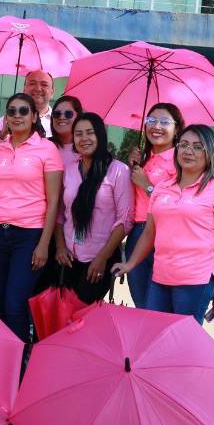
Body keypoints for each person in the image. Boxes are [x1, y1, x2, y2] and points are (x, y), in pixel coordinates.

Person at [113, 125, 214, 324]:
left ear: (210, 153)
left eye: (197, 147)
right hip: (160, 278)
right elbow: (149, 233)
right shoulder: (162, 188)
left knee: (183, 340)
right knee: (154, 334)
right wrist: (130, 263)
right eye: (184, 145)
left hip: (195, 281)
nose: (188, 151)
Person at [0, 93, 63, 342]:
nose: (17, 116)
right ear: (6, 118)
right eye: (11, 111)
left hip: (29, 235)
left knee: (15, 302)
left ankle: (19, 357)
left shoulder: (47, 149)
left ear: (34, 117)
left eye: (23, 111)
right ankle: (1, 354)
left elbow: (54, 202)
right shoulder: (1, 148)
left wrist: (44, 244)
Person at [55, 112, 133, 303]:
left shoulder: (118, 171)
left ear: (100, 135)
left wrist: (102, 258)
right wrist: (60, 247)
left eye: (90, 133)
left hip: (99, 257)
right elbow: (60, 214)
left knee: (84, 312)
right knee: (65, 313)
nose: (84, 138)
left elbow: (125, 220)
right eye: (78, 134)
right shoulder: (70, 170)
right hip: (69, 258)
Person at [125, 102, 184, 308]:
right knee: (142, 304)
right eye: (151, 120)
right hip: (137, 233)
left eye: (164, 122)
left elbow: (179, 204)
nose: (156, 126)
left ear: (177, 129)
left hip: (163, 235)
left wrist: (147, 185)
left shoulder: (180, 161)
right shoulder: (145, 159)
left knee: (157, 306)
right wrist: (132, 166)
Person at [35, 94, 83, 293]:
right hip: (41, 229)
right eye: (56, 114)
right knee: (38, 292)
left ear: (79, 116)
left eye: (68, 114)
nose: (61, 117)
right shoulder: (43, 146)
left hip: (76, 233)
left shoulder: (87, 151)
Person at [0, 70, 56, 163]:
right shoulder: (6, 121)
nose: (38, 89)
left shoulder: (59, 121)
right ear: (24, 89)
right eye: (32, 83)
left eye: (44, 84)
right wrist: (2, 136)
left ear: (52, 92)